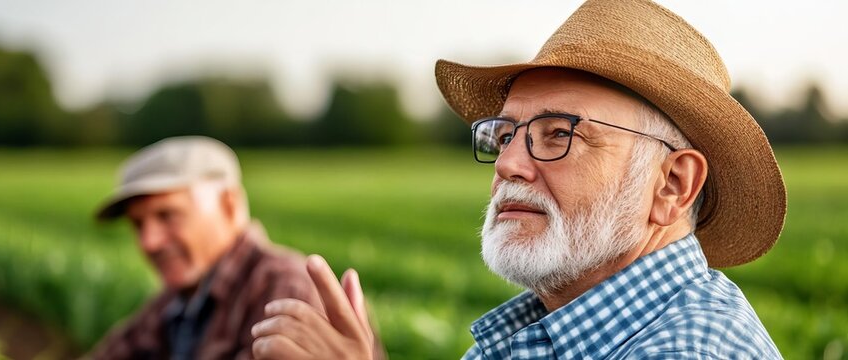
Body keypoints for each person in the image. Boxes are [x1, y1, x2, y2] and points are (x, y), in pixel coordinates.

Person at [250, 0, 787, 358]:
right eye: (506, 135)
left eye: (559, 134)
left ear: (672, 184)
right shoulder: (551, 329)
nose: (509, 163)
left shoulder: (691, 350)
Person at [89, 136, 341, 359]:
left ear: (229, 205)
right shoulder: (172, 301)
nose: (148, 242)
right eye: (137, 224)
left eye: (167, 215)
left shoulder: (284, 290)